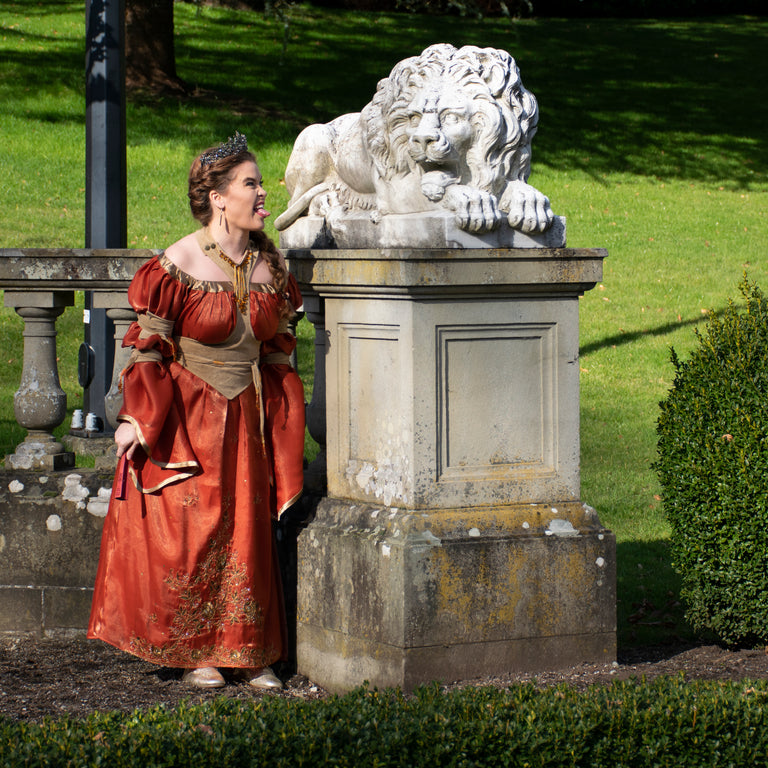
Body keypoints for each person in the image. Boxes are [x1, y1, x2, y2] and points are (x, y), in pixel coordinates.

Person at [87, 133, 305, 690]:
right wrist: (139, 418)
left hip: (247, 417)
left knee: (247, 533)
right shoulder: (177, 263)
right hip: (188, 417)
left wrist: (284, 423)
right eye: (251, 184)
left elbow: (279, 351)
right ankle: (196, 650)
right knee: (194, 531)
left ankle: (250, 651)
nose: (263, 195)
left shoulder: (271, 269)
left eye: (259, 183)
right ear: (217, 196)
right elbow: (148, 350)